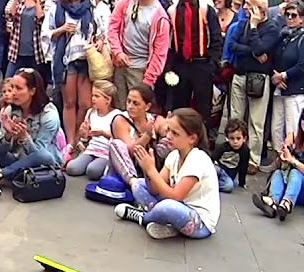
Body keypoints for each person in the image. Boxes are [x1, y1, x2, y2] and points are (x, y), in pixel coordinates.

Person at [113, 107, 219, 239]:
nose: (168, 136)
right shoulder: (174, 155)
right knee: (138, 184)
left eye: (175, 133)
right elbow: (154, 189)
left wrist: (152, 170)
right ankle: (169, 226)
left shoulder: (198, 159)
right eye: (168, 130)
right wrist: (148, 171)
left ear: (192, 139)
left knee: (167, 206)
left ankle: (143, 217)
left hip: (199, 222)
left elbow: (175, 196)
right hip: (179, 207)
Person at [0, 67, 62, 200]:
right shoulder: (10, 110)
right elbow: (2, 151)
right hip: (17, 163)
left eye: (19, 88)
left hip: (41, 169)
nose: (13, 93)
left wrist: (24, 138)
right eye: (12, 87)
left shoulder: (49, 114)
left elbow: (40, 155)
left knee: (45, 156)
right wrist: (8, 136)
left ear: (32, 91)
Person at [227, 0, 281, 172]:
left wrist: (254, 27)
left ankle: (253, 159)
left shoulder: (272, 29)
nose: (244, 7)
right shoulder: (241, 23)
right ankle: (232, 153)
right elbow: (233, 45)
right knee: (235, 117)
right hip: (240, 75)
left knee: (256, 121)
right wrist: (252, 52)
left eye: (248, 4)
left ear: (260, 8)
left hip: (258, 79)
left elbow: (262, 49)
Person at [106, 0, 171, 109]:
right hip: (120, 64)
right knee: (119, 109)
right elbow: (112, 28)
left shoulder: (160, 16)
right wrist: (118, 52)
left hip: (140, 70)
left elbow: (160, 54)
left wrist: (148, 81)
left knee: (137, 112)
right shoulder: (125, 1)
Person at [252, 101, 304, 220]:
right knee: (278, 173)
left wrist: (293, 161)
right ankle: (273, 202)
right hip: (288, 180)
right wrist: (283, 158)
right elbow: (280, 165)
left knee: (295, 172)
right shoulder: (293, 137)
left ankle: (287, 203)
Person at [44, 0, 97, 148]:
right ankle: (70, 140)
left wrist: (99, 40)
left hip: (85, 58)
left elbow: (98, 31)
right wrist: (62, 29)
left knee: (86, 103)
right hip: (66, 60)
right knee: (69, 102)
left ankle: (78, 135)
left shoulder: (89, 8)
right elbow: (45, 34)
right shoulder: (56, 9)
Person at [165, 0, 222, 123]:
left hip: (202, 64)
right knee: (180, 108)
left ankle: (203, 143)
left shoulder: (205, 9)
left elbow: (216, 37)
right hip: (181, 65)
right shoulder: (171, 11)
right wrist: (170, 67)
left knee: (203, 109)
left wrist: (213, 64)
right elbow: (169, 41)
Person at [270, 0, 304, 158]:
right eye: (287, 15)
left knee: (293, 127)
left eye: (294, 15)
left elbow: (303, 65)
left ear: (302, 18)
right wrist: (275, 75)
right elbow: (273, 58)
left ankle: (293, 159)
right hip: (279, 88)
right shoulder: (282, 37)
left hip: (296, 90)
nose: (290, 18)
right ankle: (278, 157)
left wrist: (283, 75)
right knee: (276, 126)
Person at [3, 0, 46, 115]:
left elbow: (41, 19)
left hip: (35, 51)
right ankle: (5, 113)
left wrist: (36, 1)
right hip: (17, 50)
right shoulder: (18, 0)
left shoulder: (40, 0)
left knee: (36, 84)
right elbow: (10, 14)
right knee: (9, 81)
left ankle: (36, 112)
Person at [66, 80, 119, 180]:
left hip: (106, 152)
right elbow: (85, 137)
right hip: (91, 150)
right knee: (72, 168)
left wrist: (103, 133)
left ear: (108, 100)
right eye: (93, 95)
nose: (93, 99)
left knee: (92, 171)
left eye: (97, 96)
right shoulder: (91, 112)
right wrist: (84, 133)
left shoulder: (117, 115)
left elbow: (120, 138)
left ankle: (109, 166)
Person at [214, 118, 249, 192]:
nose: (235, 141)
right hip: (219, 169)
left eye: (238, 138)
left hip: (228, 176)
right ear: (227, 138)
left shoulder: (245, 151)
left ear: (244, 138)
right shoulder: (223, 147)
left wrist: (242, 182)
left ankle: (212, 185)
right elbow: (212, 157)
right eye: (232, 138)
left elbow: (243, 167)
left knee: (229, 186)